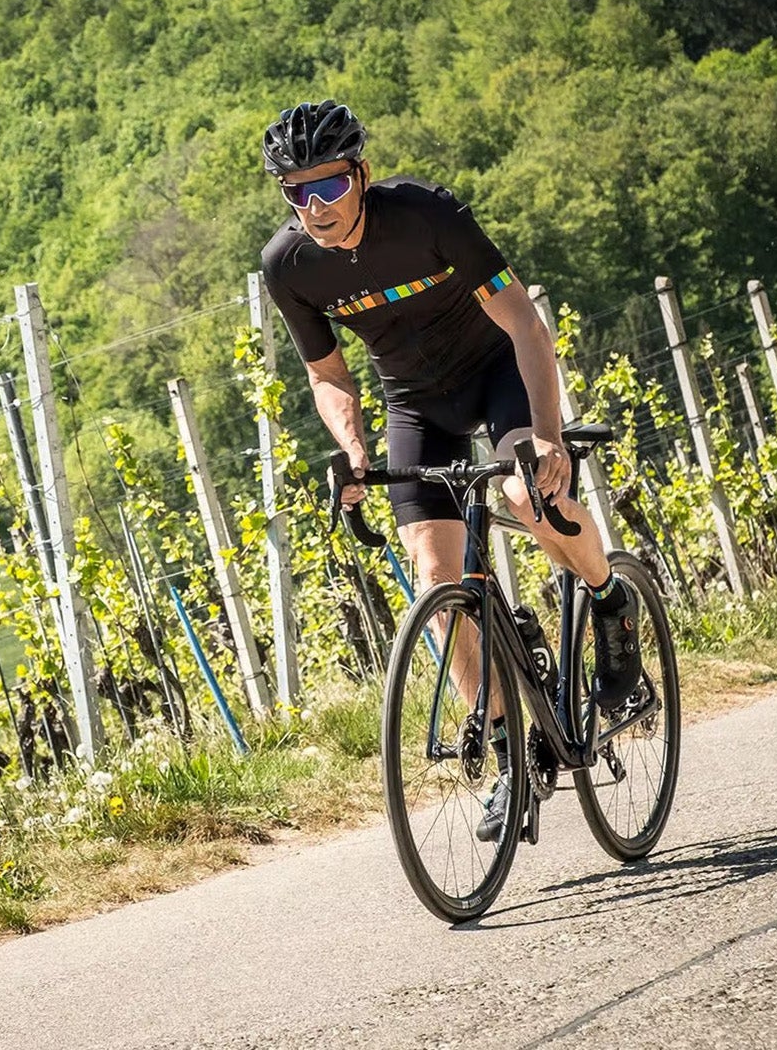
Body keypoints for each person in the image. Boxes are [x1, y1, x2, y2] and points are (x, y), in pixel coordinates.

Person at [258, 100, 641, 842]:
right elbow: (328, 373)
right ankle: (507, 753)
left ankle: (610, 598)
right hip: (415, 401)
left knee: (524, 495)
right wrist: (353, 447)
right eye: (297, 193)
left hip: (498, 371)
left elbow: (525, 322)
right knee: (435, 573)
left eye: (329, 187)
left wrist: (549, 436)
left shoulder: (426, 216)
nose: (316, 208)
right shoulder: (289, 265)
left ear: (360, 176)